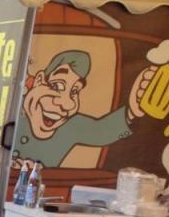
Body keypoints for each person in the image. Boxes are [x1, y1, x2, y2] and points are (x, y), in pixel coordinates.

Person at [12, 49, 152, 168]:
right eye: (57, 86)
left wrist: (132, 110)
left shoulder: (71, 124)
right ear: (39, 80)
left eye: (74, 92)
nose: (66, 104)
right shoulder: (8, 109)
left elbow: (100, 131)